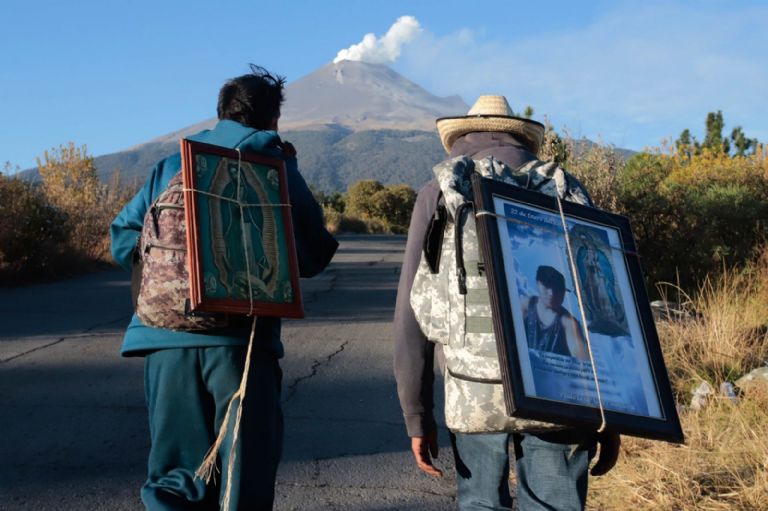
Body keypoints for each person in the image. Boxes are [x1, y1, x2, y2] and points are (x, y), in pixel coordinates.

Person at [111, 65, 338, 511]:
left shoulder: (172, 164)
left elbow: (123, 238)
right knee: (241, 474)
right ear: (273, 119)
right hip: (241, 345)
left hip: (163, 340)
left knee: (175, 476)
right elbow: (313, 254)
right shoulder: (273, 162)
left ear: (219, 114)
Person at [393, 95, 620, 510]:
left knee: (480, 502)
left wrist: (417, 414)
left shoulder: (440, 192)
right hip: (563, 393)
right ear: (522, 139)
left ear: (462, 136)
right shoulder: (563, 186)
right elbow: (601, 305)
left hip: (472, 389)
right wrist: (612, 413)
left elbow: (412, 313)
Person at [522, 265, 588, 360]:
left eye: (557, 289)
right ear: (538, 284)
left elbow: (584, 361)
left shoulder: (568, 323)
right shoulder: (526, 305)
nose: (551, 293)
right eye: (547, 286)